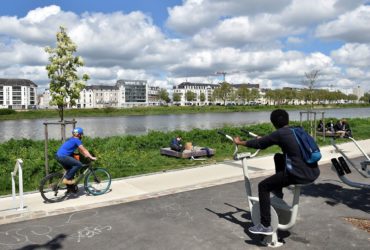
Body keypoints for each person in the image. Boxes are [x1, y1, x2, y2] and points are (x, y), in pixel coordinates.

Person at [233, 109, 320, 235]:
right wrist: (265, 138)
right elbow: (274, 140)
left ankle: (265, 225)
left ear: (273, 123)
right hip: (312, 171)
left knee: (263, 186)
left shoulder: (280, 134)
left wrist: (240, 142)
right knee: (278, 157)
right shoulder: (296, 130)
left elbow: (260, 144)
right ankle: (278, 192)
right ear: (287, 120)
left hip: (298, 174)